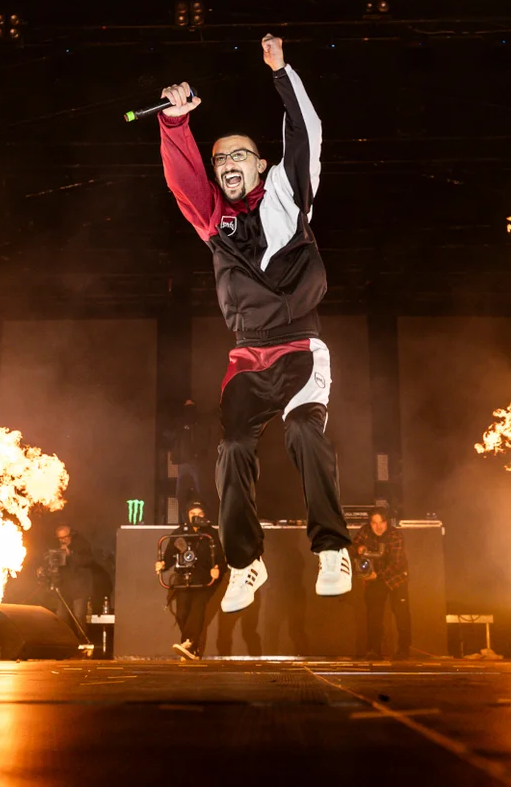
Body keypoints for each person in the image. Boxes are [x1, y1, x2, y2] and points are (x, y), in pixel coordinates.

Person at [156, 34, 352, 614]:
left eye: (238, 155)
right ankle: (245, 562)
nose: (226, 165)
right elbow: (181, 179)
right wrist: (175, 124)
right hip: (247, 356)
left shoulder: (287, 197)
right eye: (220, 160)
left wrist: (281, 71)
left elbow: (308, 133)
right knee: (233, 448)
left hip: (299, 348)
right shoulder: (215, 220)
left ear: (261, 164)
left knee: (300, 434)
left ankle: (331, 548)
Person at [156, 501, 224, 659]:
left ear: (205, 516)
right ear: (187, 515)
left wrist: (217, 569)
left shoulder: (211, 534)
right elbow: (169, 557)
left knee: (197, 608)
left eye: (200, 514)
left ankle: (188, 642)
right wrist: (163, 564)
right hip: (184, 577)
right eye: (193, 514)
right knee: (182, 613)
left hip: (205, 578)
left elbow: (221, 558)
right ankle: (192, 649)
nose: (196, 517)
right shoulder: (180, 532)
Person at [352, 509, 410, 660]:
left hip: (396, 578)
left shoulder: (395, 535)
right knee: (374, 615)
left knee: (402, 614)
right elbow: (353, 545)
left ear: (387, 522)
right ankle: (373, 650)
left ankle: (404, 650)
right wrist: (358, 548)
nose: (378, 527)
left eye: (381, 522)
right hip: (375, 579)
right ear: (370, 523)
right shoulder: (365, 531)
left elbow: (396, 564)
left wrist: (377, 575)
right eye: (374, 523)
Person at [49, 524, 96, 626]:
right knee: (61, 616)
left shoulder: (81, 545)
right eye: (60, 538)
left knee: (78, 615)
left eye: (64, 537)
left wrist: (71, 555)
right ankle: (66, 640)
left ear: (71, 535)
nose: (62, 540)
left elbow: (89, 561)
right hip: (64, 588)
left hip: (80, 589)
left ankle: (82, 640)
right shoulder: (56, 548)